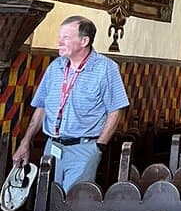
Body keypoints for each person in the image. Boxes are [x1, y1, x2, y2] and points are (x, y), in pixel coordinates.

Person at [12, 16, 128, 193]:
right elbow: (41, 108)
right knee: (46, 198)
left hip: (83, 149)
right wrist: (25, 141)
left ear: (84, 41)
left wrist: (98, 147)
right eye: (60, 37)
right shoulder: (54, 67)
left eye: (65, 37)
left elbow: (115, 111)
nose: (59, 42)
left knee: (71, 202)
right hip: (52, 147)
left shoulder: (106, 68)